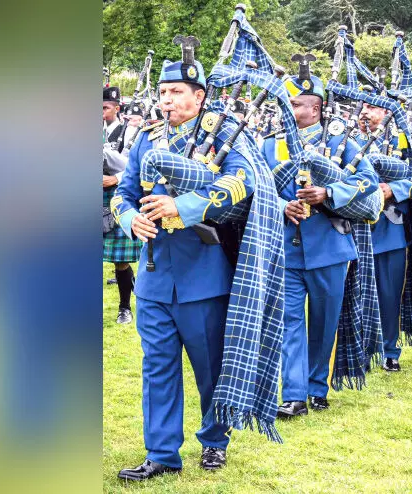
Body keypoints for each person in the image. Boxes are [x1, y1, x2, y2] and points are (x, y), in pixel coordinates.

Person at [112, 51, 264, 479]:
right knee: (157, 367)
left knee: (209, 368)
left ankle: (214, 441)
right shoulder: (146, 137)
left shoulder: (222, 137)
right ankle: (161, 454)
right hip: (156, 275)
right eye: (162, 92)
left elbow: (241, 182)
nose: (167, 100)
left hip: (203, 274)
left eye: (176, 92)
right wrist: (129, 218)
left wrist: (184, 205)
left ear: (199, 97)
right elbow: (123, 191)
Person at [262, 56, 378, 417]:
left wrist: (329, 195)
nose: (288, 109)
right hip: (286, 246)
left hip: (329, 245)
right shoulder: (270, 144)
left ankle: (317, 386)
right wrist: (283, 205)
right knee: (290, 320)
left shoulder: (343, 143)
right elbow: (258, 187)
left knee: (324, 321)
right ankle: (294, 394)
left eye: (294, 104)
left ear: (316, 107)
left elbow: (367, 183)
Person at [356, 101, 412, 371]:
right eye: (363, 107)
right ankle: (360, 350)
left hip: (389, 227)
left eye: (372, 107)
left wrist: (394, 189)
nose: (365, 112)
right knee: (356, 295)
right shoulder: (349, 139)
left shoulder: (402, 139)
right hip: (353, 228)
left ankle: (390, 349)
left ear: (387, 113)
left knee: (389, 294)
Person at [103, 86, 141, 323]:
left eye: (105, 108)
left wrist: (114, 178)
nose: (100, 112)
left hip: (117, 196)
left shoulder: (129, 133)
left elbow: (135, 166)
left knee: (120, 259)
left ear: (117, 108)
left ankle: (124, 308)